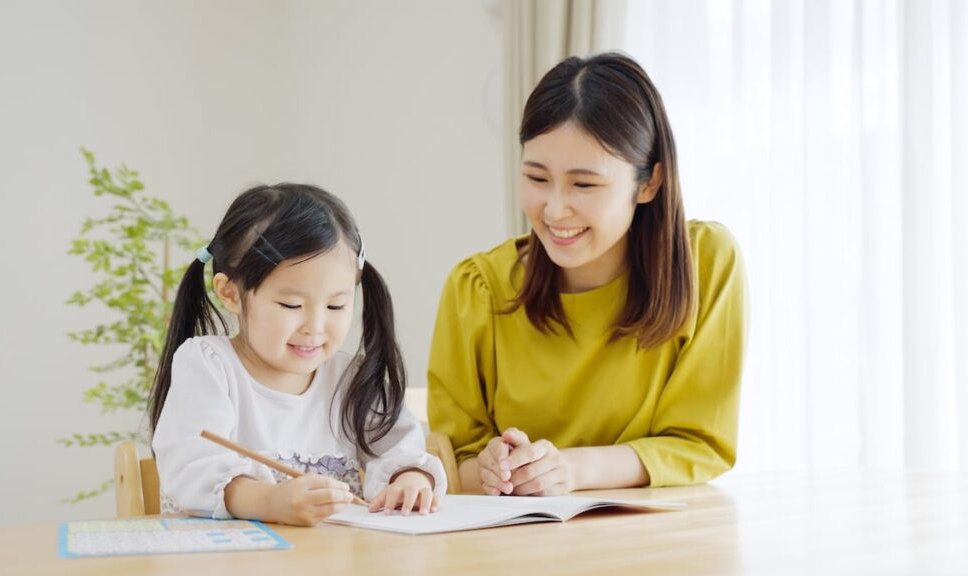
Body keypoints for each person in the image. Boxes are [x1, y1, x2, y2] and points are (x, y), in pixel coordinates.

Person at [428, 53, 747, 496]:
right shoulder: (477, 289)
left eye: (584, 184)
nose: (555, 210)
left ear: (649, 182)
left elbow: (700, 443)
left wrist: (573, 469)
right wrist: (491, 468)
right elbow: (450, 464)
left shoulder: (705, 264)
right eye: (537, 178)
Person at [149, 183, 446, 526]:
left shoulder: (349, 377)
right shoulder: (208, 365)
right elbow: (192, 465)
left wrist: (409, 480)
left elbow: (400, 449)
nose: (315, 326)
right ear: (230, 293)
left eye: (336, 304)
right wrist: (269, 501)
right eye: (291, 305)